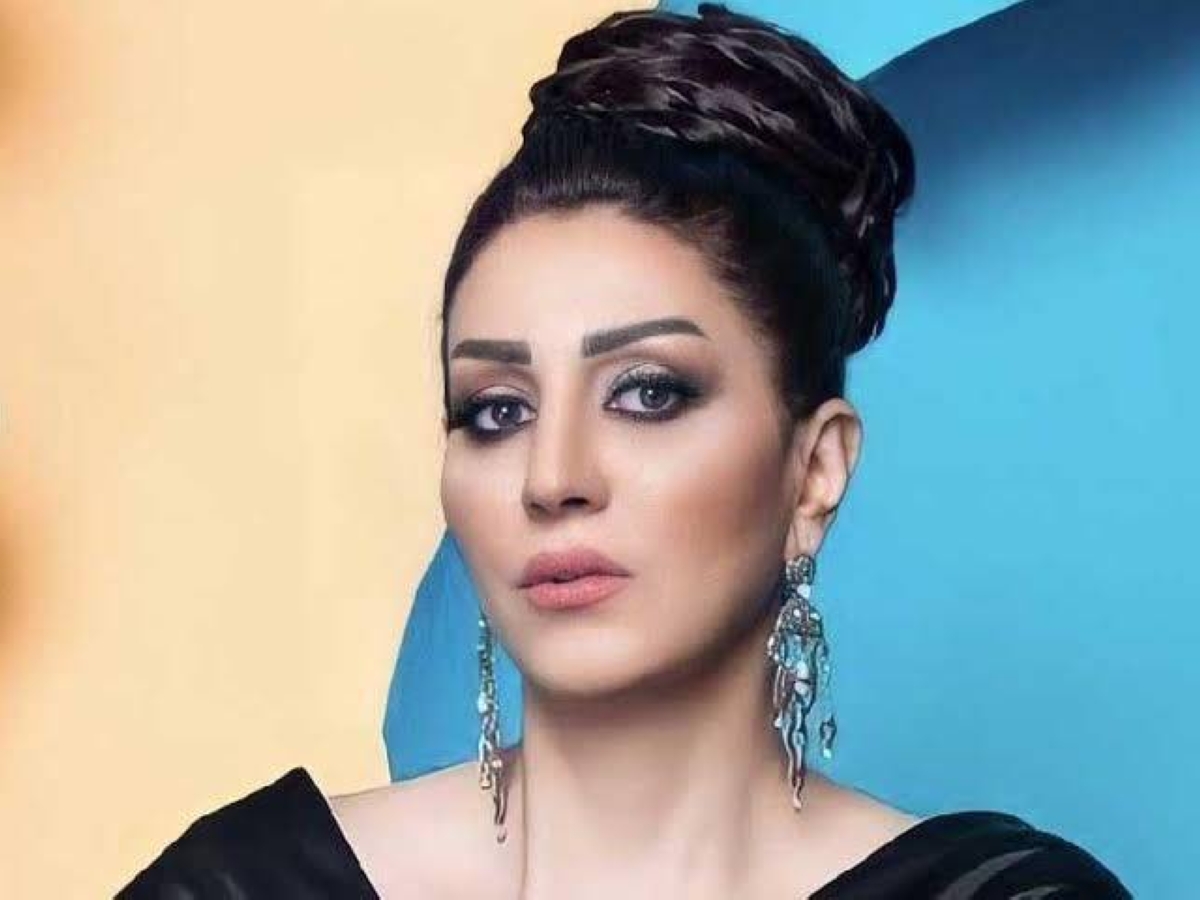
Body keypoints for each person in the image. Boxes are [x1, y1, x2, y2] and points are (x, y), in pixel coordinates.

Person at [117, 4, 1133, 898]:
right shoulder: (244, 886)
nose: (553, 478)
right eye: (497, 411)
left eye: (647, 393)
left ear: (815, 471)